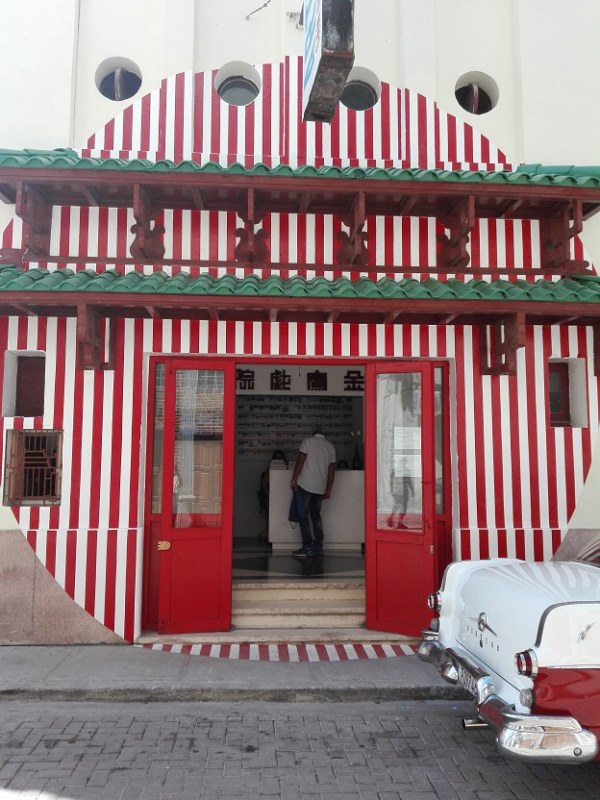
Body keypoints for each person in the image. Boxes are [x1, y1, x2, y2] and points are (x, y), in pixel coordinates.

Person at [289, 427, 336, 557]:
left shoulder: (307, 442)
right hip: (320, 488)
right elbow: (332, 470)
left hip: (305, 485)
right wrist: (329, 488)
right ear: (323, 434)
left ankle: (307, 547)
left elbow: (300, 461)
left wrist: (294, 479)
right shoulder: (330, 447)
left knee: (303, 516)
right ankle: (318, 547)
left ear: (313, 434)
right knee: (316, 516)